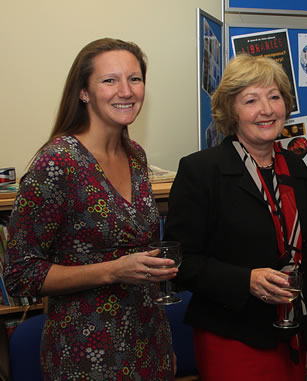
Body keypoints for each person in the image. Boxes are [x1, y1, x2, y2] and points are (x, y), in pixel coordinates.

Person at [3, 38, 178, 379]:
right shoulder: (57, 162)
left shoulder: (136, 156)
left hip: (148, 341)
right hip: (86, 351)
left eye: (135, 79)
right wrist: (112, 270)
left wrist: (163, 345)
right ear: (84, 92)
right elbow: (20, 273)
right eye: (109, 80)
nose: (125, 91)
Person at [164, 54, 307, 381]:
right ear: (231, 110)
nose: (266, 109)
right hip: (232, 337)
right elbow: (181, 264)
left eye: (274, 97)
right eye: (251, 100)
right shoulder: (201, 171)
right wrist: (245, 280)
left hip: (292, 333)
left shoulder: (298, 170)